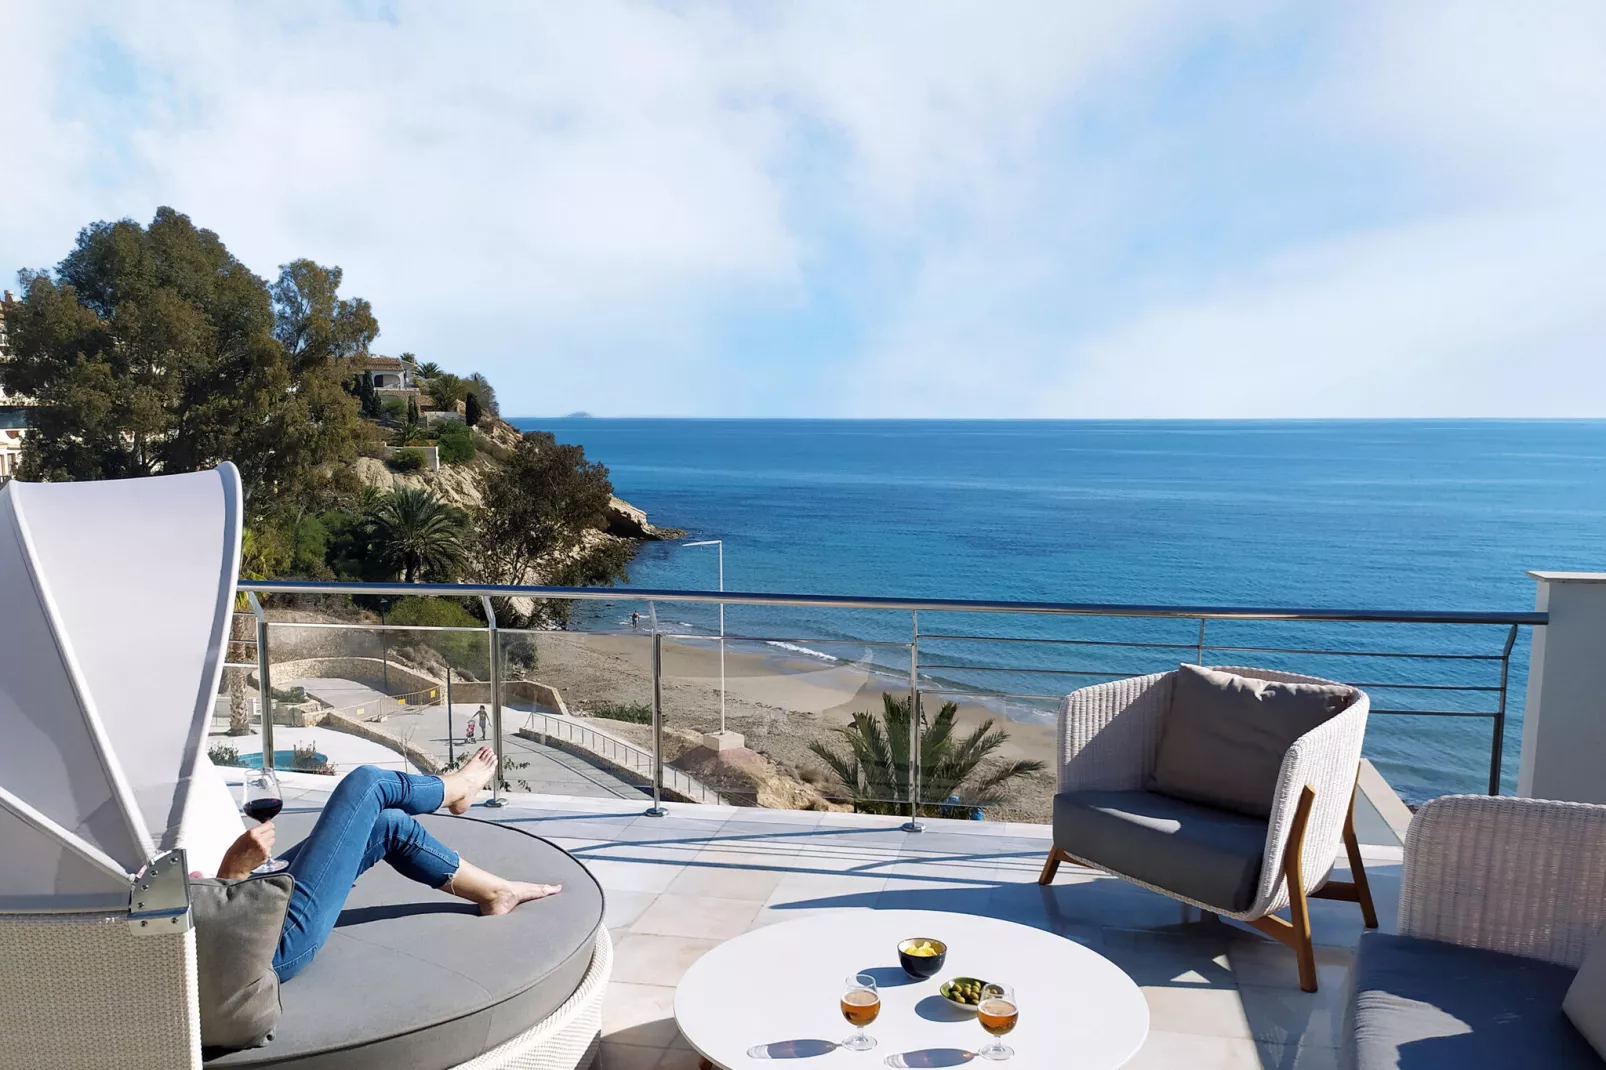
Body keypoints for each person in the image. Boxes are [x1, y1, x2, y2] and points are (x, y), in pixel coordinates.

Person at [215, 747, 560, 982]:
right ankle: (459, 786)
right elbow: (199, 934)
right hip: (260, 947)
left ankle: (496, 893)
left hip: (239, 913)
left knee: (387, 823)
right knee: (367, 782)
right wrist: (232, 872)